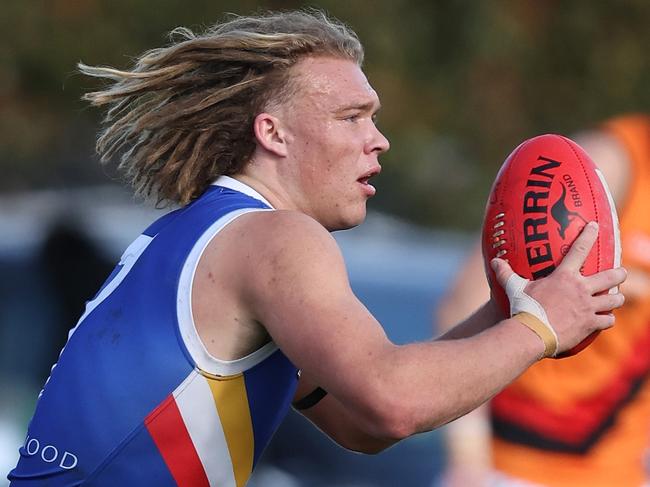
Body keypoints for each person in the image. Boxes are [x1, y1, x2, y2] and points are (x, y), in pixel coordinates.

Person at [8, 10, 627, 486]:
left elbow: (360, 425)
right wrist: (540, 327)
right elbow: (393, 403)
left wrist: (511, 307)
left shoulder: (191, 235)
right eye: (352, 117)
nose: (379, 140)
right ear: (271, 132)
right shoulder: (275, 237)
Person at [437, 113, 650, 487]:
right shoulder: (611, 162)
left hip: (619, 473)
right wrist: (468, 459)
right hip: (514, 466)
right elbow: (468, 301)